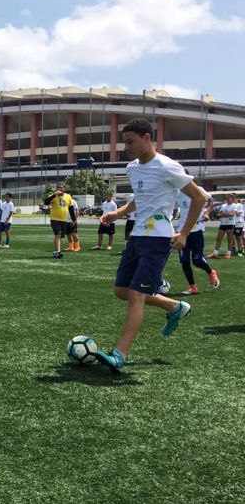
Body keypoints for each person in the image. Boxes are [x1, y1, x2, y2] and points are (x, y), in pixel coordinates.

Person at [95, 118, 206, 374]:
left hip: (158, 239)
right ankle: (174, 306)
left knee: (136, 295)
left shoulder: (167, 167)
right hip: (137, 237)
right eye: (125, 142)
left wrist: (184, 233)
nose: (126, 147)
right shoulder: (132, 168)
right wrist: (119, 213)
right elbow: (140, 197)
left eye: (130, 142)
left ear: (147, 137)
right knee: (121, 290)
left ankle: (119, 355)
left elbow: (199, 197)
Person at [174, 185, 218, 295]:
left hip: (196, 230)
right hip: (182, 232)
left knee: (197, 260)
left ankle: (211, 272)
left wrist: (207, 213)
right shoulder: (176, 192)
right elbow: (174, 209)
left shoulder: (198, 189)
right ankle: (193, 287)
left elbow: (211, 199)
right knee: (184, 261)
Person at [43, 183, 74, 258]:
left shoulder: (68, 196)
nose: (59, 189)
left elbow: (71, 209)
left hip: (64, 220)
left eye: (61, 187)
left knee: (60, 236)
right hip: (54, 219)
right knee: (58, 234)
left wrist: (74, 220)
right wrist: (54, 195)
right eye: (58, 188)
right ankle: (58, 251)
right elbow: (46, 202)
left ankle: (55, 251)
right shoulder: (53, 196)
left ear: (64, 188)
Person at [207, 193, 238, 259]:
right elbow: (218, 214)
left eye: (228, 198)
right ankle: (215, 253)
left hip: (230, 224)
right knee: (218, 239)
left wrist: (223, 214)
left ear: (232, 199)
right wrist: (226, 214)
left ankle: (228, 253)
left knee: (229, 239)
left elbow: (232, 214)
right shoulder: (223, 205)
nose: (227, 199)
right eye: (226, 198)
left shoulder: (235, 205)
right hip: (223, 224)